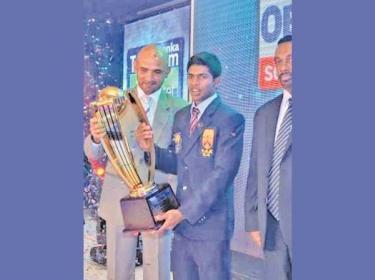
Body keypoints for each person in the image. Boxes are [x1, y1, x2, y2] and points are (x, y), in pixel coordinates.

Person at [136, 52, 245, 280]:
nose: (195, 84)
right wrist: (150, 149)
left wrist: (184, 212)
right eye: (191, 76)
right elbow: (177, 162)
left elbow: (222, 175)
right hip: (182, 226)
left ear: (217, 80)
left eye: (202, 77)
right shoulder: (182, 116)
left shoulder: (229, 119)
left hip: (210, 227)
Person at [84, 44, 187, 280]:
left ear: (168, 71)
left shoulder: (180, 108)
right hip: (118, 197)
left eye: (157, 72)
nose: (149, 78)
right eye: (144, 70)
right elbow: (93, 152)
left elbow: (181, 158)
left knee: (158, 269)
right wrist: (96, 138)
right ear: (134, 67)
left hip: (159, 199)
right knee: (119, 270)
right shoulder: (113, 102)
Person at [245, 35, 293, 280]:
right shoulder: (264, 113)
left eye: (291, 59)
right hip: (272, 227)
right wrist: (253, 220)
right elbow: (256, 170)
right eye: (278, 61)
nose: (283, 67)